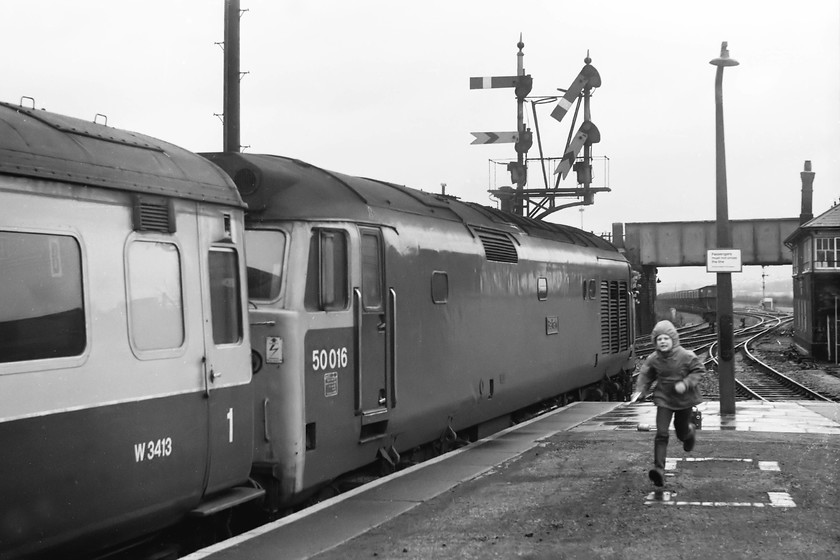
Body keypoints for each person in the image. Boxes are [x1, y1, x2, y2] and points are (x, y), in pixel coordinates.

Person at [633, 320, 705, 487]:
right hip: (664, 400)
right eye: (659, 339)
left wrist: (686, 383)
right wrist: (640, 391)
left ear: (673, 339)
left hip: (684, 401)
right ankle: (659, 470)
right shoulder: (654, 358)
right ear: (655, 342)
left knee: (681, 433)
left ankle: (690, 432)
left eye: (666, 338)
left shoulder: (686, 356)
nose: (663, 342)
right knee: (661, 433)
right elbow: (645, 375)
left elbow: (699, 370)